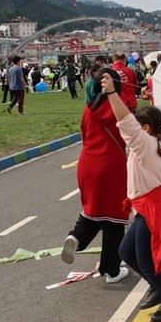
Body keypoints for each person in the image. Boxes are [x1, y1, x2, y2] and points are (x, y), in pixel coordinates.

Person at [97, 71, 161, 322]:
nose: (132, 130)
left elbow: (124, 121)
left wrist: (111, 92)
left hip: (151, 209)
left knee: (149, 264)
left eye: (138, 126)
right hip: (151, 206)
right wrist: (160, 197)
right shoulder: (158, 147)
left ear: (146, 128)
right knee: (126, 252)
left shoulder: (144, 144)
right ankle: (159, 290)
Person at [61, 69, 130, 284]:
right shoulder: (117, 109)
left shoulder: (88, 110)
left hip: (87, 163)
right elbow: (130, 129)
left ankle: (77, 237)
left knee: (93, 209)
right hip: (111, 165)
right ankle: (111, 269)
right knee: (114, 217)